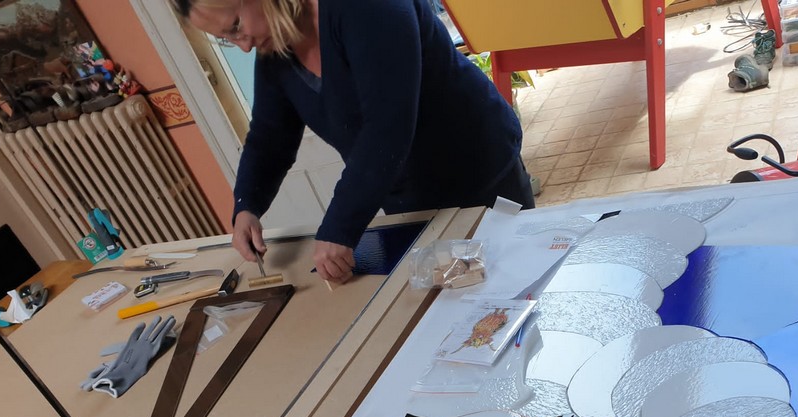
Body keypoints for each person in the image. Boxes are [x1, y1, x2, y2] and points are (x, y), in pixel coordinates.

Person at [171, 0, 534, 283]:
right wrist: (246, 205)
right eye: (226, 38)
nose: (243, 46)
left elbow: (386, 129)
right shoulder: (276, 47)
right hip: (408, 194)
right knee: (454, 304)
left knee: (518, 282)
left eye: (236, 26)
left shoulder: (368, 7)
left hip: (476, 168)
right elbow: (269, 137)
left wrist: (339, 228)